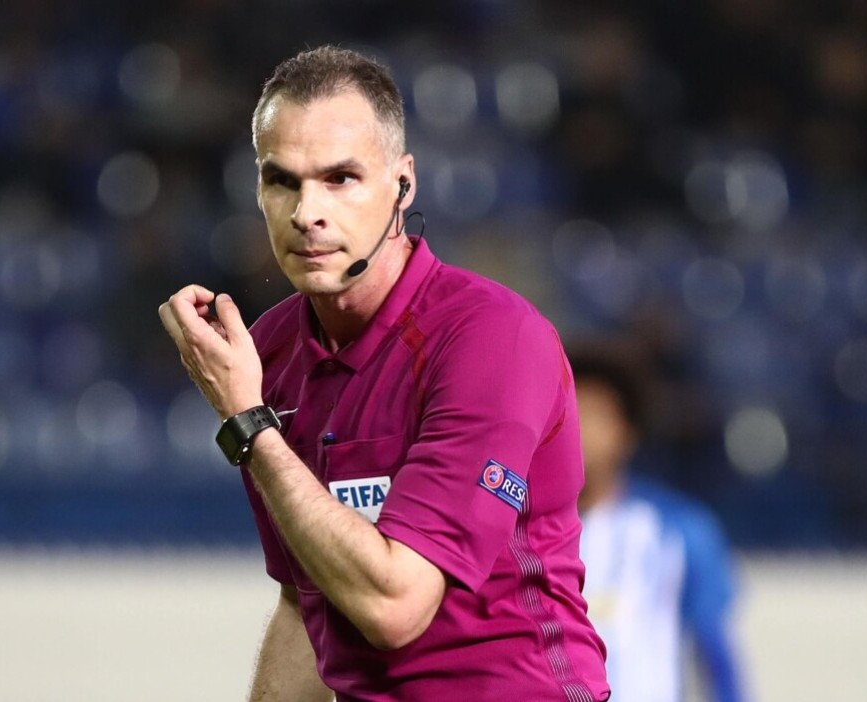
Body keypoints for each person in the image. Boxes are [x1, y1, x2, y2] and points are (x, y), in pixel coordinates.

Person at [158, 45, 609, 702]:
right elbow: (305, 602)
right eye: (281, 180)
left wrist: (248, 423)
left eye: (340, 178)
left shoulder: (491, 339)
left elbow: (394, 607)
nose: (306, 212)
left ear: (402, 184)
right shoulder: (268, 356)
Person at [571, 345, 746, 702]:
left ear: (626, 432)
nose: (579, 430)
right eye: (568, 413)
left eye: (593, 415)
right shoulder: (516, 528)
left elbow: (716, 653)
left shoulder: (678, 530)